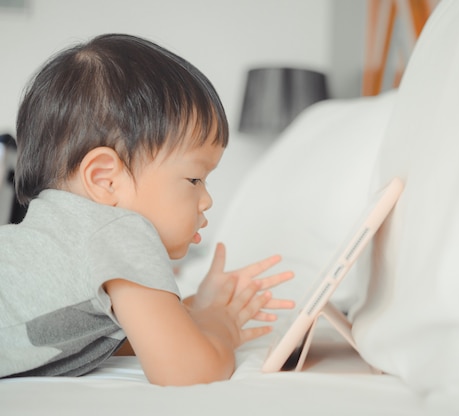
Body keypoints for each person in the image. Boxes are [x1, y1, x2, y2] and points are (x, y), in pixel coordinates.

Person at [0, 33, 294, 386]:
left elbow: (123, 339)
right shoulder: (120, 230)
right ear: (106, 180)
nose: (207, 200)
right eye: (194, 179)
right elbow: (186, 370)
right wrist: (220, 326)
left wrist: (191, 313)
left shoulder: (65, 238)